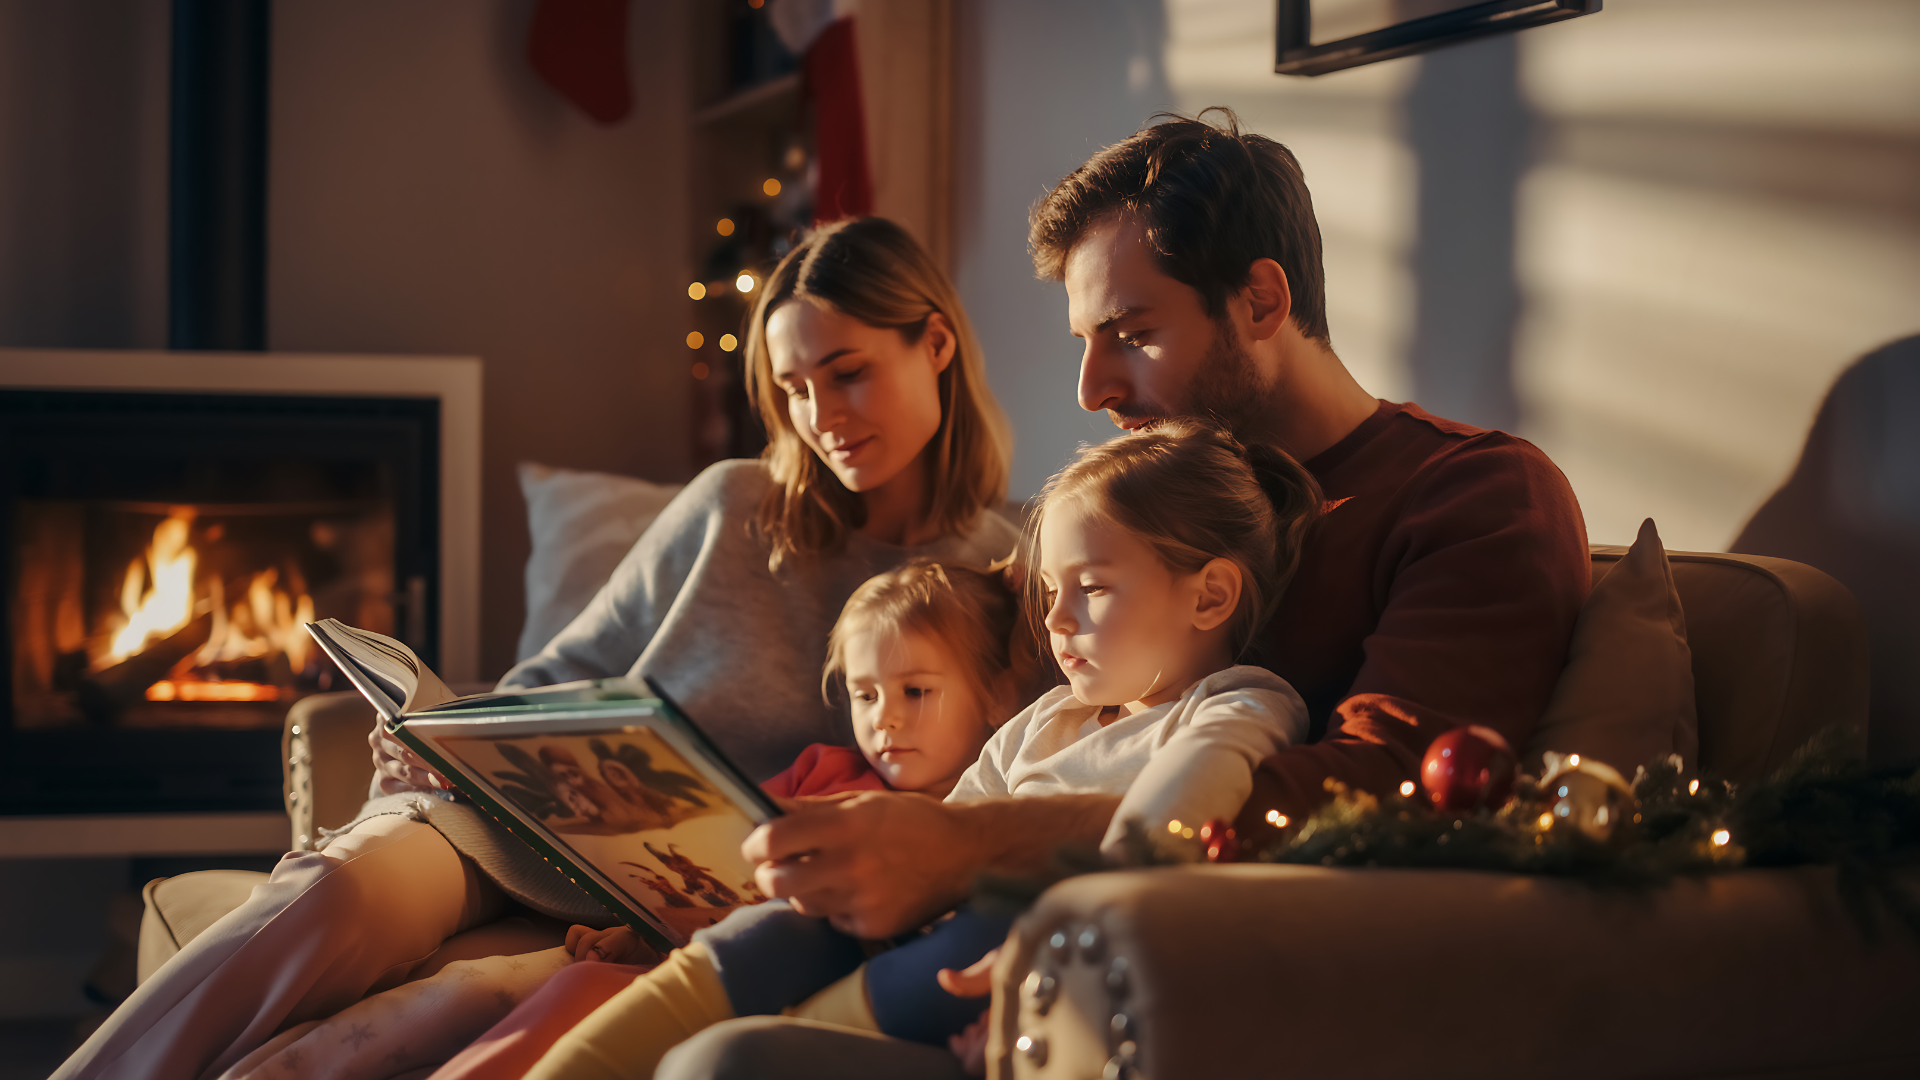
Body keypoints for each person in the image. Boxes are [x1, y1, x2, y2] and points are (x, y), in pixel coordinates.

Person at [668, 108, 1590, 1077]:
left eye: (1132, 332)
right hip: (992, 947)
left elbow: (1388, 797)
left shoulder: (1470, 498)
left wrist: (978, 844)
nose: (1091, 386)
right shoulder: (1126, 525)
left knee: (724, 1068)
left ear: (1262, 303)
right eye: (1085, 338)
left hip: (1196, 986)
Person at [51, 216, 1020, 1080]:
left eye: (847, 372)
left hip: (704, 909)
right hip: (537, 827)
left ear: (933, 342)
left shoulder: (1000, 571)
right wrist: (446, 736)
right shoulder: (734, 506)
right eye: (795, 389)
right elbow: (552, 681)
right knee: (340, 887)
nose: (822, 417)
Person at [520, 420, 1320, 1080]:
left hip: (1027, 958)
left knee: (955, 943)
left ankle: (777, 1031)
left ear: (1210, 594)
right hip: (930, 934)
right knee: (783, 927)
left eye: (1094, 587)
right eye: (1049, 592)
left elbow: (1182, 804)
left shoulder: (1238, 702)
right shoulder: (1047, 719)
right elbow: (948, 832)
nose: (1058, 620)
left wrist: (1060, 930)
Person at [420, 560, 1034, 1080]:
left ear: (999, 695)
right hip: (692, 963)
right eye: (865, 694)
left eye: (916, 692)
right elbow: (706, 851)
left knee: (586, 999)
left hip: (785, 998)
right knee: (567, 990)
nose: (885, 720)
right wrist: (641, 924)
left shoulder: (978, 825)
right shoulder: (820, 771)